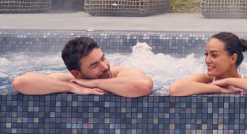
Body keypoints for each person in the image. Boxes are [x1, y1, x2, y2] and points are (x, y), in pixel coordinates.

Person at [12, 37, 153, 97]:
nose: (104, 66)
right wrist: (73, 88)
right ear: (77, 74)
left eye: (103, 58)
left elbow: (143, 86)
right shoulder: (71, 80)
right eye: (94, 65)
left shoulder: (121, 73)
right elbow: (21, 82)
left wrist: (93, 83)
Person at [169, 32, 247, 97]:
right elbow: (175, 88)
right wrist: (220, 89)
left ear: (233, 58)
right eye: (206, 54)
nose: (207, 60)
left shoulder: (245, 82)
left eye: (214, 55)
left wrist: (228, 81)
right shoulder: (206, 79)